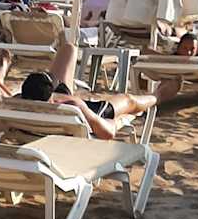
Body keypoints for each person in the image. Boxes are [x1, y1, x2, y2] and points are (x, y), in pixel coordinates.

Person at [19, 31, 156, 140]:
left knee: (69, 48)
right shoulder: (74, 106)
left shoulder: (17, 103)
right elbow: (108, 133)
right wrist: (116, 121)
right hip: (84, 113)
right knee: (128, 100)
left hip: (49, 116)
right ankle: (157, 96)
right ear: (51, 98)